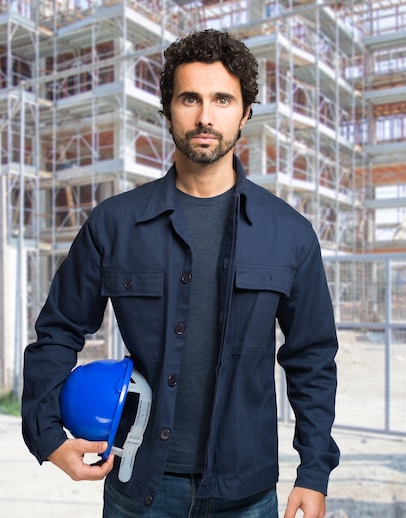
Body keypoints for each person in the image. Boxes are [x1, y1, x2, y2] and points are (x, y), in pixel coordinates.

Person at [22, 28, 340, 517]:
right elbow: (59, 330)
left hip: (246, 493)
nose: (206, 116)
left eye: (223, 100)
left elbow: (312, 358)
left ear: (246, 113)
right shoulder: (116, 223)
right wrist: (46, 436)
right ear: (168, 111)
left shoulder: (290, 234)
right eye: (190, 98)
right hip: (140, 488)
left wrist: (314, 471)